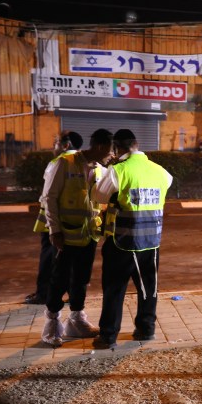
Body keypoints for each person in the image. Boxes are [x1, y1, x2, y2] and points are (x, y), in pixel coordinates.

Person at [91, 129, 173, 350]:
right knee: (148, 288)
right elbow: (168, 183)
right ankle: (146, 329)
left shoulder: (119, 171)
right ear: (136, 145)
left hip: (123, 243)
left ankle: (108, 336)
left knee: (114, 290)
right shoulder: (160, 171)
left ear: (117, 149)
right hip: (151, 243)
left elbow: (98, 196)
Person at [40, 129, 114, 347]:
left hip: (89, 235)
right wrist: (54, 230)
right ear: (100, 146)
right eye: (110, 150)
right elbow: (49, 197)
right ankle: (52, 324)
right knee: (59, 279)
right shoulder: (65, 163)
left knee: (81, 279)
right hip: (65, 235)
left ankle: (76, 320)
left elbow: (101, 201)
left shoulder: (101, 169)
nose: (112, 154)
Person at [26, 131, 84, 305]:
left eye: (56, 142)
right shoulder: (87, 163)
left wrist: (53, 227)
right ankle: (73, 294)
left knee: (49, 259)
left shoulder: (57, 163)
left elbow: (48, 196)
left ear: (65, 145)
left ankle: (44, 293)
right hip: (78, 223)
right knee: (73, 261)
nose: (53, 146)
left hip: (53, 222)